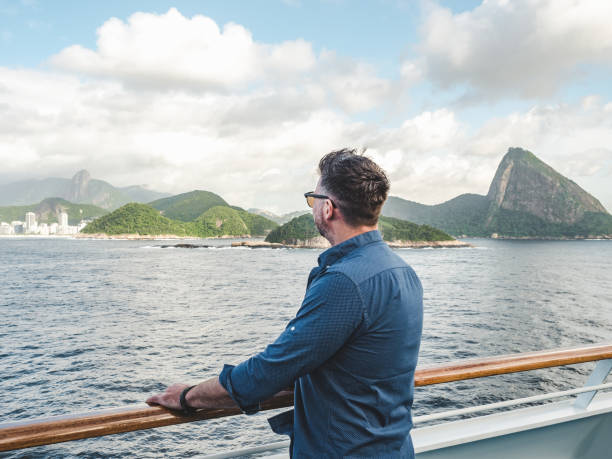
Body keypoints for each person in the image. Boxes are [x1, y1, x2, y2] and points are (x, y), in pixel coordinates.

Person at [147, 149, 423, 458]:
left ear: (328, 209)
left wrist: (187, 396)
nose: (312, 207)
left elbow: (269, 371)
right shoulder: (402, 271)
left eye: (312, 199)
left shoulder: (344, 282)